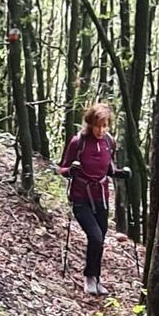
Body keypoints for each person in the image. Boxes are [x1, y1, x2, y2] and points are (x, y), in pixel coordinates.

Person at [58, 102, 131, 296]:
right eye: (98, 125)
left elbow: (109, 169)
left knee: (100, 240)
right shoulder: (78, 142)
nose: (101, 129)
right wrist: (70, 171)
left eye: (105, 125)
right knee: (95, 236)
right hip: (81, 197)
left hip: (102, 198)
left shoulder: (109, 142)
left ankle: (97, 279)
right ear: (90, 123)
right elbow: (62, 169)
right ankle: (89, 277)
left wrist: (121, 173)